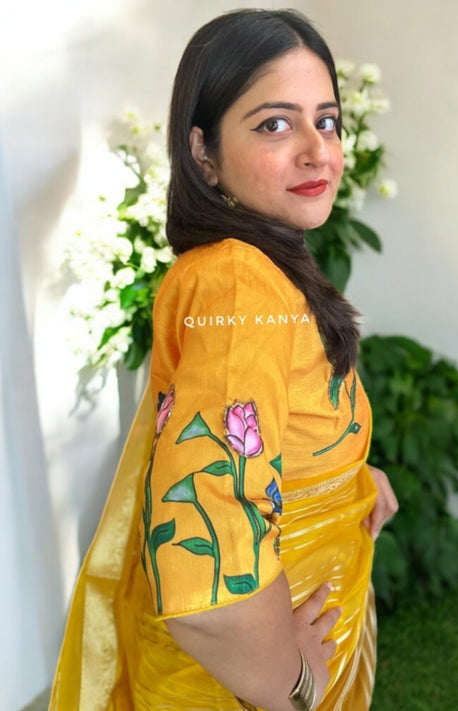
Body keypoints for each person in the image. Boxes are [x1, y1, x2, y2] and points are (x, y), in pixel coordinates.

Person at [49, 8, 398, 711]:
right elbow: (206, 571)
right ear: (203, 153)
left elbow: (275, 427)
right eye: (274, 124)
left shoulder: (257, 264)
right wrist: (294, 683)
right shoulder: (237, 282)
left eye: (326, 120)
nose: (318, 150)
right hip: (239, 685)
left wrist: (348, 479)